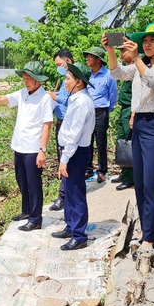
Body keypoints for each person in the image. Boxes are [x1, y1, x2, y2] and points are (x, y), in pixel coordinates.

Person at [103, 22, 154, 265]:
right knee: (140, 183)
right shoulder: (141, 65)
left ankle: (150, 238)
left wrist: (136, 59)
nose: (147, 44)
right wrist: (111, 51)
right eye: (145, 40)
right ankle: (146, 229)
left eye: (153, 40)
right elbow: (116, 73)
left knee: (152, 182)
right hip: (142, 125)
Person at [0, 61, 53, 231]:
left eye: (28, 78)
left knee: (33, 184)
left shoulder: (45, 98)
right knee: (22, 180)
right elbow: (3, 99)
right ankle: (26, 210)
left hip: (33, 148)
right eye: (24, 78)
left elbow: (47, 125)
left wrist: (42, 151)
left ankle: (36, 219)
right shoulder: (23, 93)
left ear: (38, 80)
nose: (25, 81)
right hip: (19, 146)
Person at [52, 62, 96, 250]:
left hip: (75, 152)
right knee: (69, 191)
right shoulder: (75, 99)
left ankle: (79, 235)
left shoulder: (82, 102)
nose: (65, 82)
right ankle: (70, 226)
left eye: (68, 78)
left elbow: (74, 134)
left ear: (78, 82)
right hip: (71, 151)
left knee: (76, 193)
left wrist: (64, 159)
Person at [82, 47, 118, 183]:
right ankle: (88, 169)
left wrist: (106, 110)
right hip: (88, 112)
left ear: (98, 59)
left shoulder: (109, 75)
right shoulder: (87, 75)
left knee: (101, 142)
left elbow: (113, 96)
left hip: (101, 112)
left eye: (90, 57)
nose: (87, 59)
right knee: (87, 141)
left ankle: (102, 171)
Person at [49, 49, 74, 212]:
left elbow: (65, 99)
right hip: (61, 122)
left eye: (59, 64)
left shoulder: (72, 77)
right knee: (62, 160)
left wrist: (50, 95)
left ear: (68, 61)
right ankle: (65, 193)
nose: (58, 67)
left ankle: (63, 197)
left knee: (65, 161)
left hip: (66, 124)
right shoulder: (66, 77)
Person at [111, 53, 135, 191]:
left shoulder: (136, 70)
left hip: (130, 109)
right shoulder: (128, 69)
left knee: (128, 141)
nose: (121, 54)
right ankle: (124, 172)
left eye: (124, 51)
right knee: (121, 141)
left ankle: (129, 177)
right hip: (124, 109)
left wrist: (133, 114)